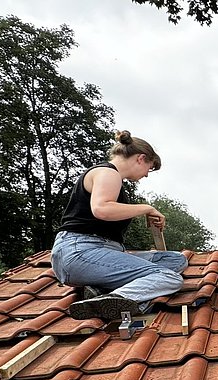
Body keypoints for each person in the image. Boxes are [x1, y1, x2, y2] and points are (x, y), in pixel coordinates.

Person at [52, 131, 188, 322]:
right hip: (81, 251)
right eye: (149, 168)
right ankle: (113, 300)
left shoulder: (110, 176)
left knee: (175, 261)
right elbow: (102, 209)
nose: (146, 175)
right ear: (141, 159)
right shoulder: (108, 173)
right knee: (170, 278)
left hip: (89, 251)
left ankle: (98, 290)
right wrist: (146, 208)